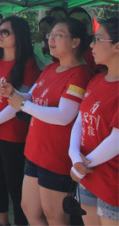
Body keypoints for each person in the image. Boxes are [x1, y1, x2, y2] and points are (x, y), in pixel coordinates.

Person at [0, 17, 92, 225]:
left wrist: (23, 104)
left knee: (55, 216)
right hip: (36, 150)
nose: (51, 39)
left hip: (56, 154)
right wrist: (14, 93)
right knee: (29, 208)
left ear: (75, 42)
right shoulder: (51, 68)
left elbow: (64, 116)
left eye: (59, 35)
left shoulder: (80, 74)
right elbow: (31, 96)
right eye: (51, 35)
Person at [0, 16, 41, 226]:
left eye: (5, 32)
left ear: (19, 35)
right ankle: (2, 221)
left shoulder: (28, 64)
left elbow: (19, 102)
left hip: (12, 133)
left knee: (14, 183)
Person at [69, 18, 118, 225]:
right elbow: (80, 120)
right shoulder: (96, 80)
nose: (91, 45)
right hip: (88, 175)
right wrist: (74, 157)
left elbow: (116, 140)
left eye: (97, 39)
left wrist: (80, 165)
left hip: (111, 181)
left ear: (117, 46)